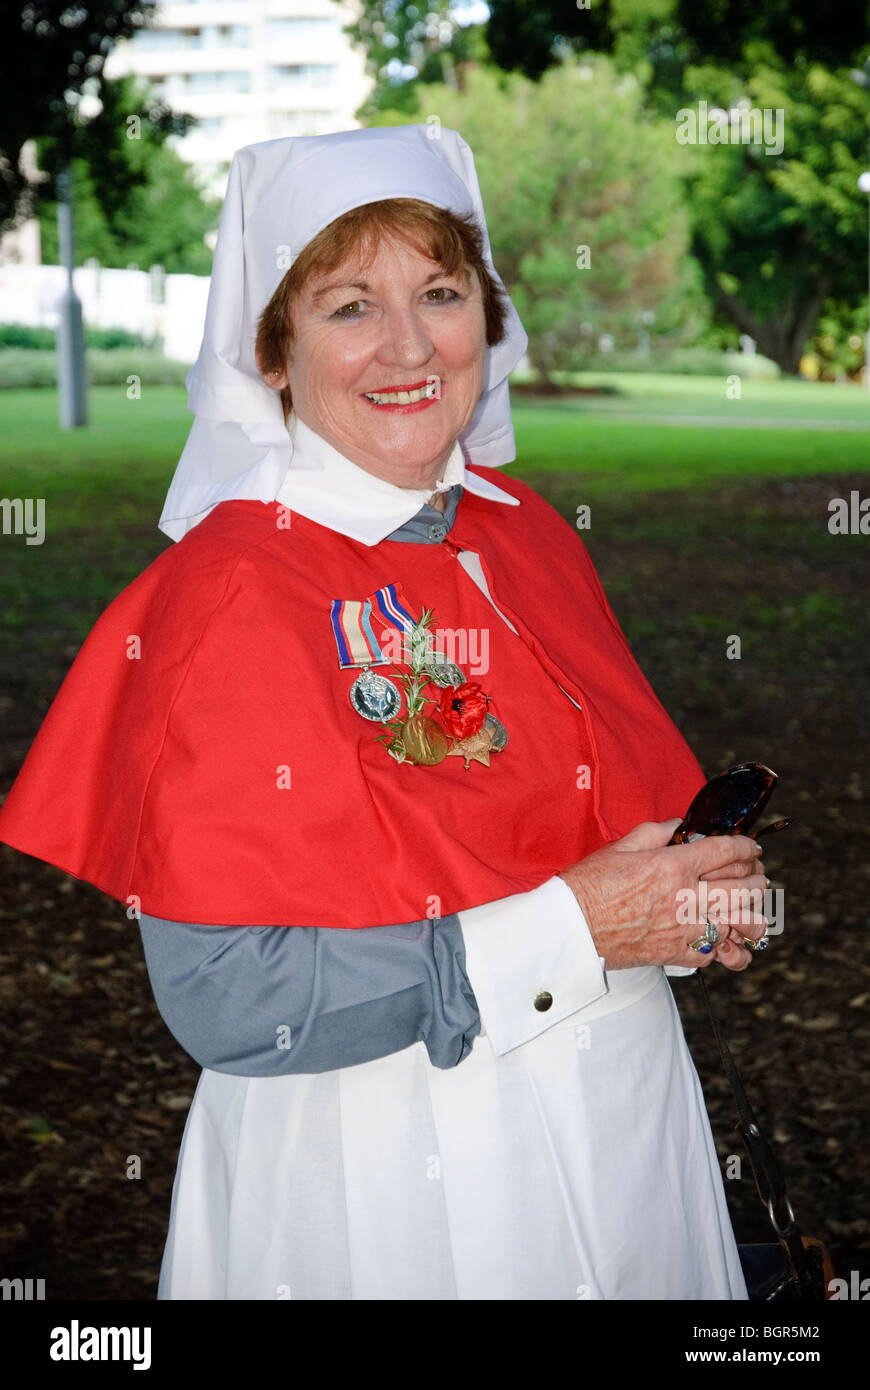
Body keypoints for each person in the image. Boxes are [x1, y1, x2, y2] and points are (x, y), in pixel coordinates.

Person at [0, 125, 770, 1301]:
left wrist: (678, 896)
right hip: (394, 1183)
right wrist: (582, 929)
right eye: (349, 305)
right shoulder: (227, 592)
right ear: (272, 350)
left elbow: (573, 827)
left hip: (626, 1132)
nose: (411, 346)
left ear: (488, 319)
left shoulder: (528, 531)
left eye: (443, 292)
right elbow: (230, 999)